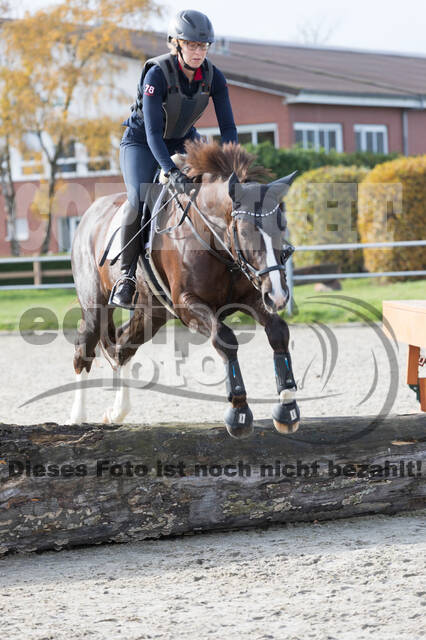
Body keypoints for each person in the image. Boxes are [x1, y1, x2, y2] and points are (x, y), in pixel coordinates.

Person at [110, 9, 238, 308]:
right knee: (138, 199)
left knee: (213, 185)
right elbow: (154, 133)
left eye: (203, 46)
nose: (198, 52)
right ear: (176, 44)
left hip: (182, 137)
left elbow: (228, 127)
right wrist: (170, 170)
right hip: (142, 141)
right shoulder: (157, 73)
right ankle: (126, 277)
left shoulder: (213, 76)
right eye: (192, 45)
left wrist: (230, 164)